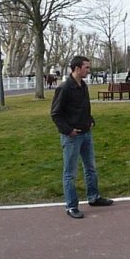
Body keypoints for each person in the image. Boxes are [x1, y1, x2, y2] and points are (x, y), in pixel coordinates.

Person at [50, 55, 113, 219]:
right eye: (86, 67)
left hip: (86, 134)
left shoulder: (83, 86)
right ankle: (71, 206)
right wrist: (68, 130)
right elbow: (56, 114)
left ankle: (94, 197)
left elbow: (85, 108)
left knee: (90, 168)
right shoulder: (64, 88)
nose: (88, 70)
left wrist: (90, 120)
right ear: (77, 68)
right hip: (72, 137)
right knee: (70, 173)